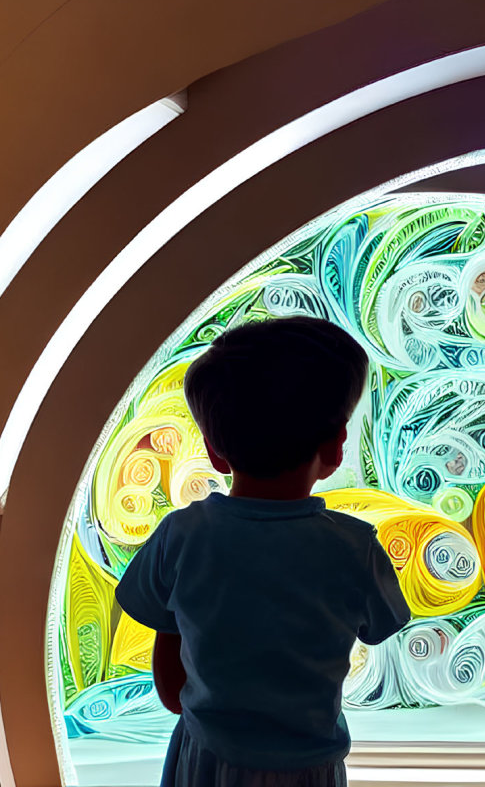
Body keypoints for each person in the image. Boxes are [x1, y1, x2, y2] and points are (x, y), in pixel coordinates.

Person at [115, 316, 410, 787]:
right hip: (309, 770)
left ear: (214, 452)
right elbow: (380, 626)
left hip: (205, 761)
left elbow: (172, 689)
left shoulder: (181, 537)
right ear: (336, 449)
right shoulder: (356, 549)